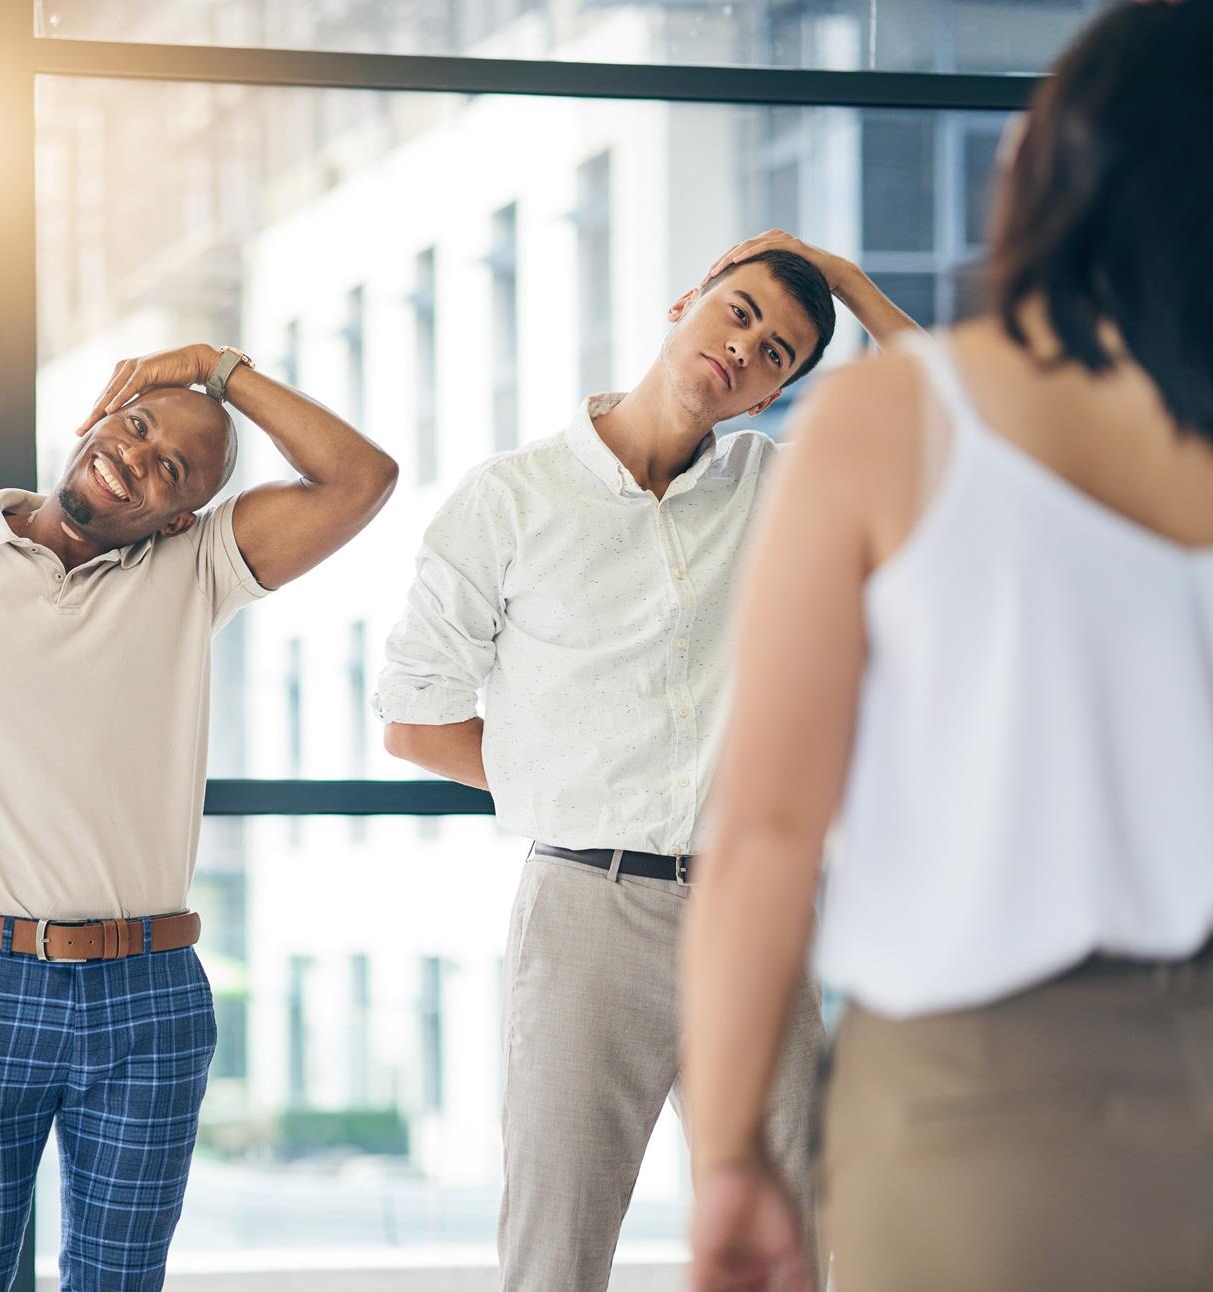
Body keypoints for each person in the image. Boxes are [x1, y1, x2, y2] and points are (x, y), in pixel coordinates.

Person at [679, 4, 1213, 1291]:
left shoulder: (898, 415)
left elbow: (766, 833)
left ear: (1059, 163)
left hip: (980, 1119)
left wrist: (732, 1152)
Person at [0, 342, 397, 1291]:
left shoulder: (198, 565)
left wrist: (219, 368)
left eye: (173, 466)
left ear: (183, 515)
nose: (137, 456)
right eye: (135, 425)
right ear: (95, 418)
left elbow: (361, 477)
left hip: (152, 997)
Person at [376, 234, 918, 1291]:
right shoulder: (510, 499)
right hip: (586, 911)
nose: (746, 346)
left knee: (796, 1241)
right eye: (739, 312)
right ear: (685, 301)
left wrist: (845, 282)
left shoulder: (778, 485)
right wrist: (590, 776)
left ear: (771, 396)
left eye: (778, 353)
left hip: (753, 912)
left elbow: (942, 416)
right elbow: (413, 719)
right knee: (555, 1252)